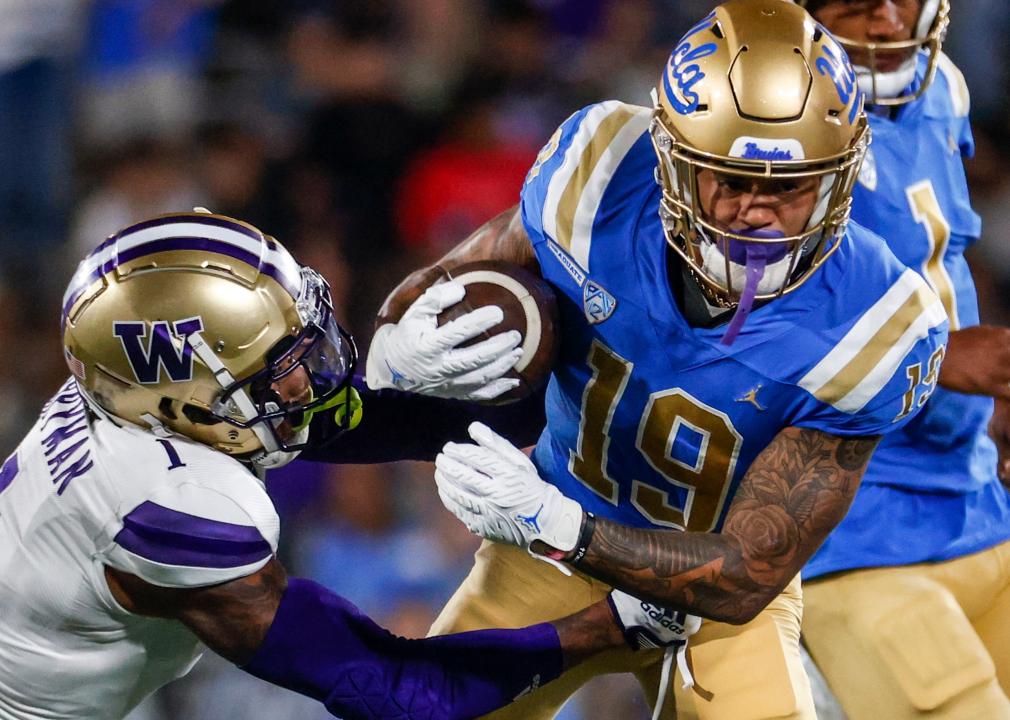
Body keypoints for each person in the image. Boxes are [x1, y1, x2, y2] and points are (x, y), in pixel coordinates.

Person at [364, 2, 949, 719]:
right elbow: (447, 283)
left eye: (790, 188)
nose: (757, 214)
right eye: (731, 181)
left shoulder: (876, 321)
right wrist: (396, 343)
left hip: (710, 601)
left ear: (840, 177)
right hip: (548, 549)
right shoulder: (601, 173)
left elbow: (743, 576)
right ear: (671, 158)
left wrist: (558, 524)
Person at [0, 211, 695, 720]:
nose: (314, 375)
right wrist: (615, 622)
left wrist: (567, 402)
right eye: (283, 369)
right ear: (186, 406)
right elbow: (396, 691)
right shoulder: (173, 506)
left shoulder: (148, 400)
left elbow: (347, 418)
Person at [782, 2, 1010, 718]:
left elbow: (942, 264)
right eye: (852, 0)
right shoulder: (766, 129)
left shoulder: (942, 85)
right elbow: (727, 326)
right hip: (847, 520)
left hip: (974, 495)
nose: (883, 22)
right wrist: (937, 358)